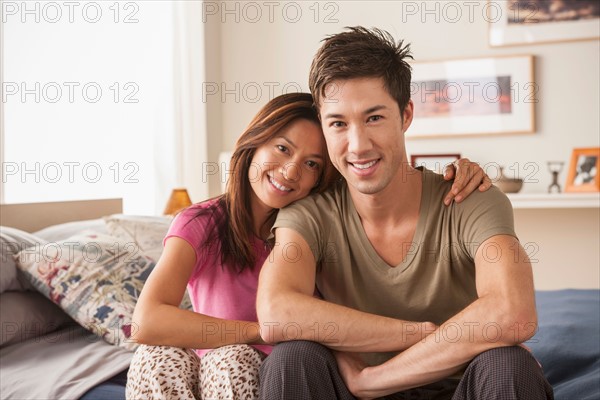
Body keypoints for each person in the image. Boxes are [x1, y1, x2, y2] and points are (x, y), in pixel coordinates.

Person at [125, 92, 489, 399]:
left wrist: (465, 170)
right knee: (154, 357)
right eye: (282, 148)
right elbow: (147, 320)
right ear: (254, 141)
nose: (290, 171)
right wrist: (261, 329)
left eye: (311, 163)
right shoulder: (202, 222)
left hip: (286, 368)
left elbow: (330, 321)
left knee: (233, 359)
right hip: (221, 358)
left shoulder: (313, 223)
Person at [257, 27, 554, 400]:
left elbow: (514, 312)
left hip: (458, 389)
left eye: (374, 118)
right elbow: (276, 314)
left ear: (406, 114)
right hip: (350, 390)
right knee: (290, 358)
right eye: (338, 123)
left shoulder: (470, 199)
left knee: (509, 365)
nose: (358, 145)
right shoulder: (310, 214)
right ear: (323, 125)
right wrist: (421, 332)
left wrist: (373, 380)